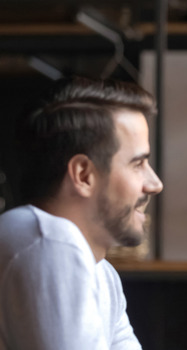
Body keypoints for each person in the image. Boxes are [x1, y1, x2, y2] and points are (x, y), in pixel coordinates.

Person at [0, 76, 163, 350]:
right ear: (83, 175)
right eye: (138, 164)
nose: (155, 184)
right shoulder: (51, 242)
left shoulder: (101, 272)